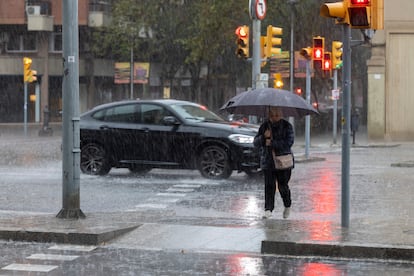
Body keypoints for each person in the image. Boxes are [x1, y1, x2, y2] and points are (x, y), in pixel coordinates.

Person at [254, 107, 294, 219]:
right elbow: (255, 142)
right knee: (269, 186)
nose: (274, 118)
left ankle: (287, 205)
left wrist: (272, 142)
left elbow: (289, 142)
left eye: (276, 115)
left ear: (280, 115)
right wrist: (263, 138)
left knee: (283, 186)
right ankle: (268, 209)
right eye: (272, 116)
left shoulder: (287, 126)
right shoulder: (264, 126)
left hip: (283, 162)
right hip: (268, 162)